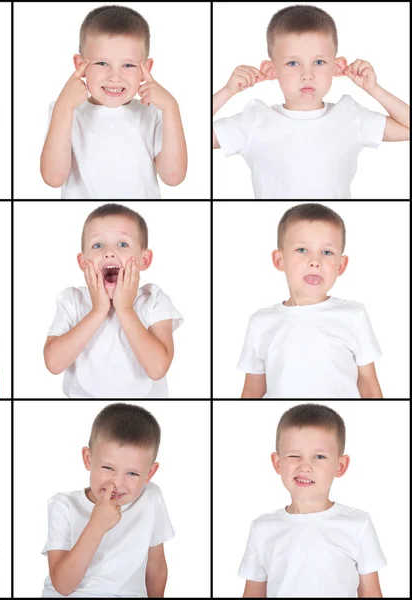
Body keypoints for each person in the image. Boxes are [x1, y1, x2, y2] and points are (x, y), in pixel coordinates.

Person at [213, 4, 410, 199]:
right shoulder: (254, 120)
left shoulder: (350, 115)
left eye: (319, 62)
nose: (307, 75)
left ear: (337, 66)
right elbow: (191, 136)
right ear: (271, 70)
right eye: (293, 63)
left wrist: (373, 89)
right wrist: (227, 91)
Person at [239, 403, 386, 598]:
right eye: (294, 455)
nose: (305, 466)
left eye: (319, 456)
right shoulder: (262, 529)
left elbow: (371, 593)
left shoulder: (359, 525)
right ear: (278, 463)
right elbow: (253, 594)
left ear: (340, 466)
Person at [40, 5, 187, 198]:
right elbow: (53, 177)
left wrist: (171, 108)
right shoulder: (66, 110)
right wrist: (64, 107)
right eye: (102, 63)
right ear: (80, 65)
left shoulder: (152, 112)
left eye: (128, 65)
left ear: (146, 69)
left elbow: (173, 177)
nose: (115, 76)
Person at [238, 202, 382, 398]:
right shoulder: (261, 323)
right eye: (302, 250)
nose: (315, 261)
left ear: (341, 265)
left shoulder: (354, 316)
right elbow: (252, 391)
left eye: (327, 252)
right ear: (279, 260)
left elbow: (369, 385)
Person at [44, 203, 183, 398]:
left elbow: (158, 368)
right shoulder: (72, 299)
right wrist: (97, 311)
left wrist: (125, 309)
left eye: (123, 244)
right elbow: (53, 364)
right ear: (83, 263)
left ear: (144, 259)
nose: (108, 252)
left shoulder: (154, 300)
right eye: (97, 245)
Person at [41, 403, 174, 597]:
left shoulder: (151, 497)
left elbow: (156, 568)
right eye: (108, 468)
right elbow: (63, 585)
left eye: (132, 473)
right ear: (88, 458)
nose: (118, 483)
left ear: (149, 473)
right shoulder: (62, 506)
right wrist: (97, 525)